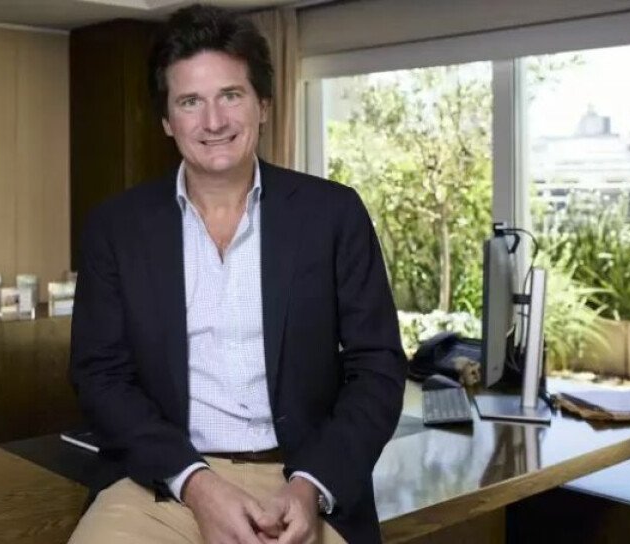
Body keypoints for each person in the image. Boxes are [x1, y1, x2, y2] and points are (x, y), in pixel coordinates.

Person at [69, 4, 405, 543]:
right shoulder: (116, 228)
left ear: (263, 104)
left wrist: (311, 484)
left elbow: (378, 367)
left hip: (301, 484)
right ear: (166, 120)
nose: (214, 122)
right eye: (190, 102)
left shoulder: (333, 215)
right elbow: (101, 377)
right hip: (165, 482)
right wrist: (196, 483)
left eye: (230, 95)